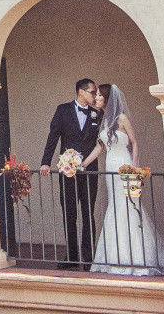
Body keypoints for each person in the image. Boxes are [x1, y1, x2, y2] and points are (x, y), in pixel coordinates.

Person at [82, 84, 164, 275]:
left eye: (98, 95)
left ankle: (135, 257)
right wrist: (82, 164)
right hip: (110, 167)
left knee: (129, 207)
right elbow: (99, 148)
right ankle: (114, 256)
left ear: (106, 97)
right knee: (115, 207)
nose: (96, 98)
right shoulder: (104, 120)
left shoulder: (122, 118)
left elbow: (134, 142)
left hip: (124, 165)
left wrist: (135, 166)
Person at [40, 78, 102, 268]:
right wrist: (45, 163)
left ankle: (89, 256)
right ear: (81, 92)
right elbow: (53, 137)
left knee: (87, 213)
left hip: (89, 171)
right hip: (67, 170)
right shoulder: (63, 110)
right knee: (69, 212)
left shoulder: (97, 114)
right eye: (92, 92)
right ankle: (72, 256)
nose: (94, 95)